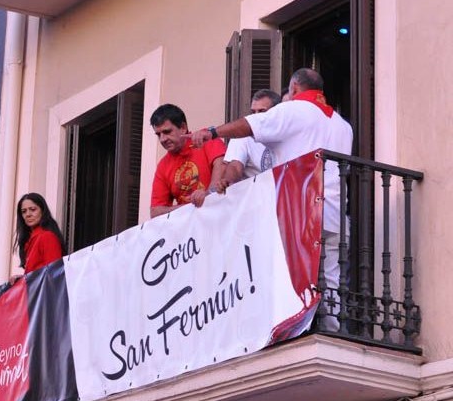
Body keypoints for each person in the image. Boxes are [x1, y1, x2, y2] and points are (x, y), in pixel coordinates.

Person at [189, 68, 353, 331]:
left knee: (291, 277)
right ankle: (332, 330)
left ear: (295, 89)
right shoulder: (342, 126)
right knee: (331, 277)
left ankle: (293, 331)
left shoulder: (293, 110)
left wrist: (212, 132)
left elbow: (249, 125)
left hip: (303, 210)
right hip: (335, 213)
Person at [149, 104, 226, 217]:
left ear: (183, 128)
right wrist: (190, 206)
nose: (162, 139)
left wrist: (207, 194)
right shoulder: (163, 166)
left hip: (221, 216)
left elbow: (223, 168)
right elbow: (155, 212)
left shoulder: (205, 138)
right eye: (158, 134)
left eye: (167, 132)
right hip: (189, 228)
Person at [218, 89, 281, 191]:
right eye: (253, 112)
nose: (255, 116)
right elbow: (235, 166)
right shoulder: (243, 135)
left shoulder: (286, 131)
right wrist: (228, 181)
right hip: (254, 198)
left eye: (262, 111)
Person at [14, 193, 66, 274]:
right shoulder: (30, 240)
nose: (28, 214)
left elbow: (54, 273)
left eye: (33, 209)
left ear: (42, 211)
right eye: (24, 211)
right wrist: (22, 279)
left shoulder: (47, 237)